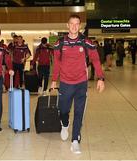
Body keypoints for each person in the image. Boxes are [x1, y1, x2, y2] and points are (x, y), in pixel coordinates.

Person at [50, 15, 105, 154]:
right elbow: (56, 63)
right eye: (72, 24)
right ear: (67, 25)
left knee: (79, 112)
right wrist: (54, 80)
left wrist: (100, 78)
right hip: (65, 83)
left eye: (77, 24)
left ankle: (75, 140)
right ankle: (65, 124)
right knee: (63, 110)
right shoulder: (60, 43)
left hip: (81, 82)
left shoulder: (85, 42)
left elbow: (96, 59)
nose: (74, 26)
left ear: (79, 26)